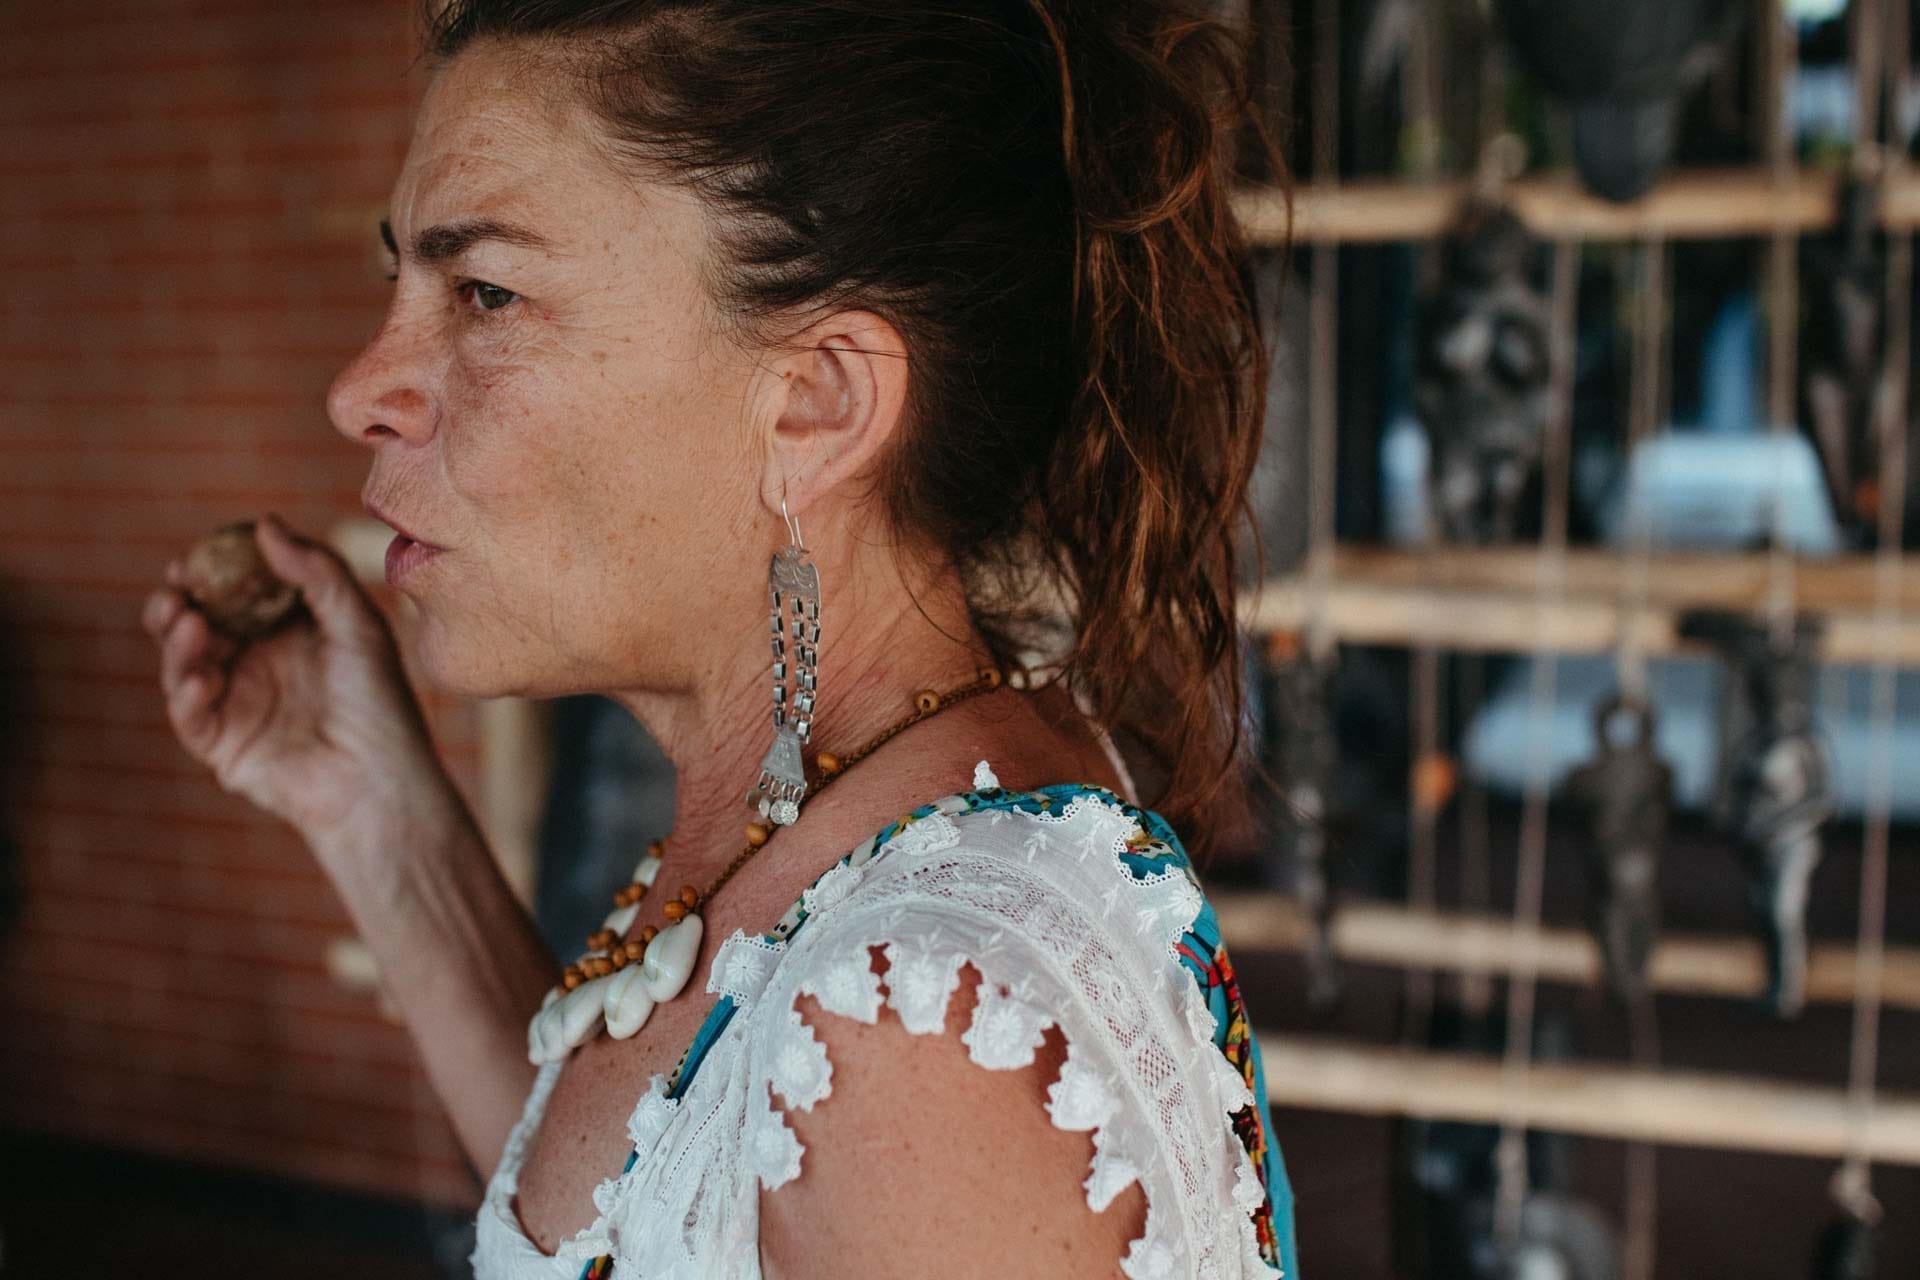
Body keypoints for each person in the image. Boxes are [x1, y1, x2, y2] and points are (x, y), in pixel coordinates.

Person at [142, 1, 1299, 1275]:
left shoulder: (924, 1039)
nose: (358, 389)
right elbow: (644, 1203)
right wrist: (373, 806)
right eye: (401, 282)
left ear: (816, 401)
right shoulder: (853, 815)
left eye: (486, 293)